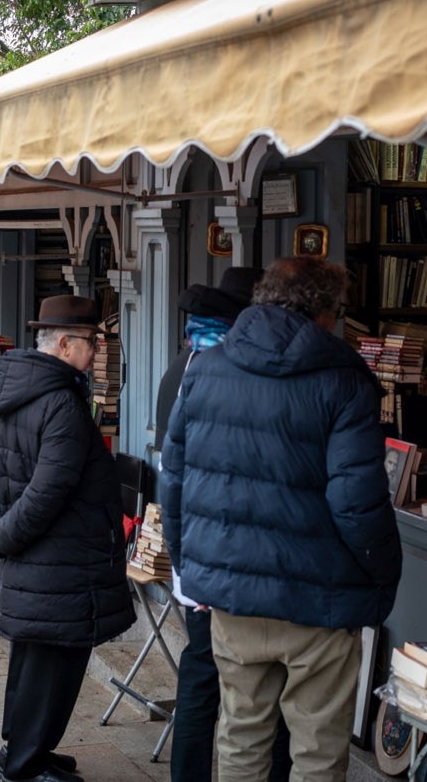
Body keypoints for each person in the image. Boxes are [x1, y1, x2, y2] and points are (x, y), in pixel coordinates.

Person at [160, 256, 402, 782]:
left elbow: (173, 481)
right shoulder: (344, 379)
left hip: (233, 594)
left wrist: (190, 567)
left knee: (241, 736)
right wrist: (383, 575)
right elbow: (358, 505)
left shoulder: (206, 367)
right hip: (319, 596)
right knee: (316, 750)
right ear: (324, 311)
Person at [0, 294, 135, 782]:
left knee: (33, 660)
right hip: (60, 559)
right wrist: (4, 536)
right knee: (53, 667)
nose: (96, 352)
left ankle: (25, 751)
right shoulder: (62, 401)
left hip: (33, 553)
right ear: (64, 344)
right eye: (91, 342)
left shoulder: (11, 387)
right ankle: (25, 765)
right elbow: (50, 489)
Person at [152, 267, 292, 782]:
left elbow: (173, 473)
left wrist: (185, 559)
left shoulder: (185, 363)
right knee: (253, 686)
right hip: (232, 556)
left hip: (200, 554)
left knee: (201, 675)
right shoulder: (231, 370)